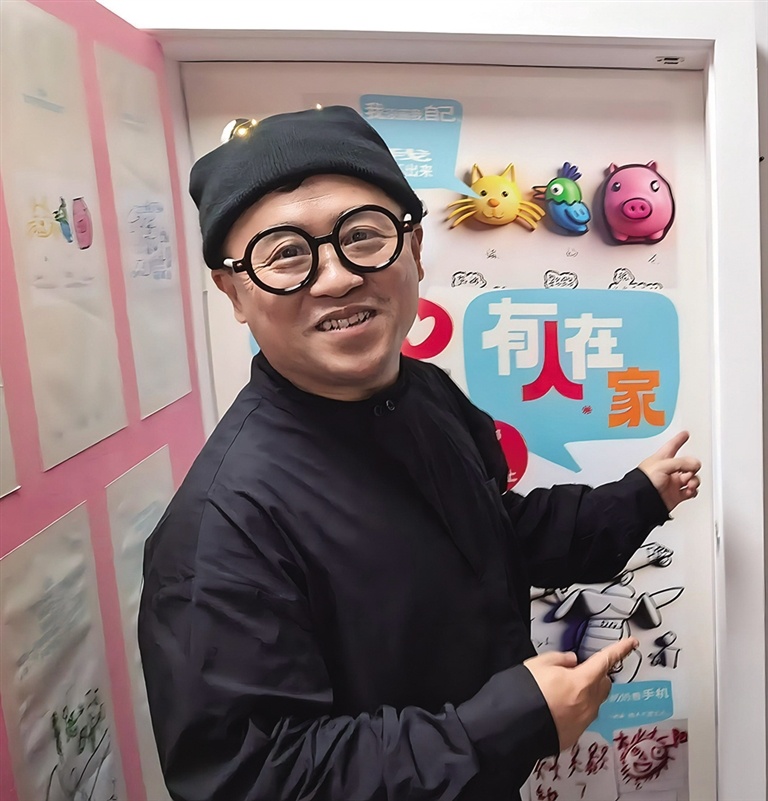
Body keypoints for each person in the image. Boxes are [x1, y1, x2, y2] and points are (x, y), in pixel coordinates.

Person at [138, 106, 701, 801]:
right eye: (284, 254)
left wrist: (638, 497)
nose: (336, 277)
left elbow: (491, 535)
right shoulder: (220, 529)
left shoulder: (425, 393)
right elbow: (250, 777)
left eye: (362, 235)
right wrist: (502, 726)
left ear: (414, 248)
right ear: (233, 291)